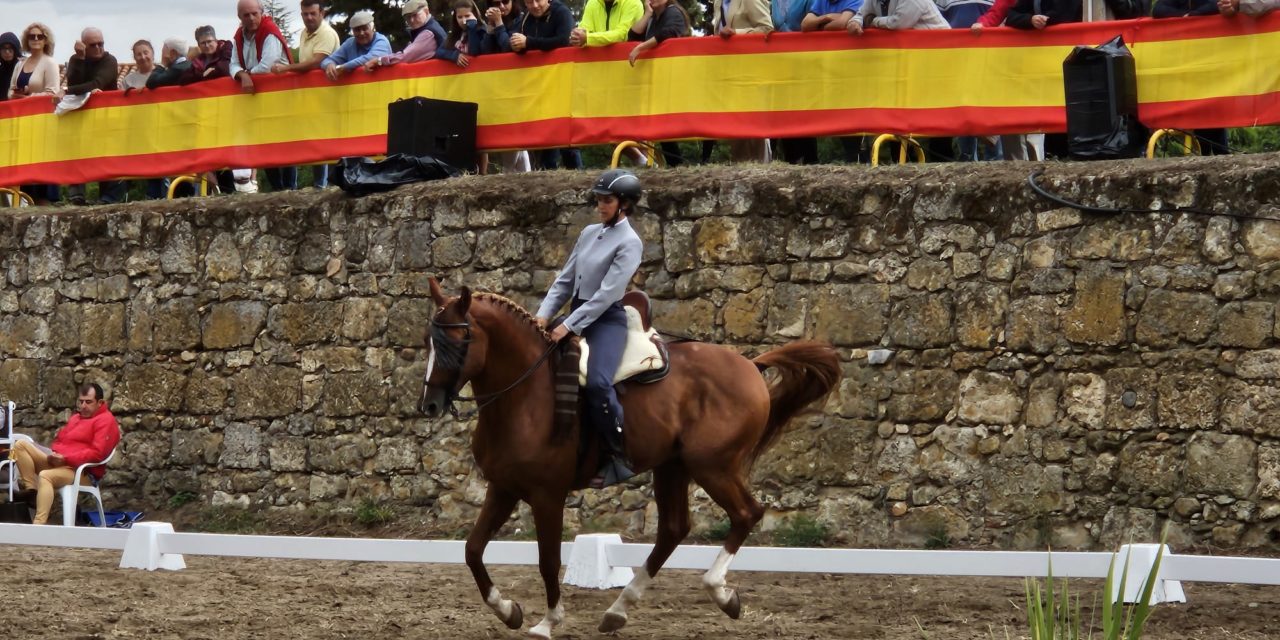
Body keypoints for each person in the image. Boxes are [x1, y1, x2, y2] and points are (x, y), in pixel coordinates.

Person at [535, 170, 645, 489]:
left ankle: (618, 454)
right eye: (598, 199)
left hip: (606, 320)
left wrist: (568, 325)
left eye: (606, 200)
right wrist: (544, 316)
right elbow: (565, 280)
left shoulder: (630, 242)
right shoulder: (588, 232)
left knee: (597, 383)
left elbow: (607, 293)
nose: (600, 205)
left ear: (624, 204)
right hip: (576, 314)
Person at [10, 383, 121, 525]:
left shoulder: (106, 421)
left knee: (46, 475)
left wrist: (66, 459)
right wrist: (55, 455)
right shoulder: (76, 418)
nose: (83, 406)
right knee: (20, 445)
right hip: (61, 462)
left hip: (83, 472)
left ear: (99, 403)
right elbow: (60, 442)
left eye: (88, 402)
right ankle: (32, 491)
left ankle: (38, 525)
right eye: (81, 402)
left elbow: (97, 454)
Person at [504, 0, 581, 169]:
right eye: (530, 2)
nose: (535, 5)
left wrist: (529, 43)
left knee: (566, 135)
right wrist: (516, 45)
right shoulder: (525, 20)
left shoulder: (561, 12)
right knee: (546, 135)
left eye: (538, 0)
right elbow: (515, 42)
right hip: (539, 85)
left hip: (563, 81)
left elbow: (564, 40)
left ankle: (577, 174)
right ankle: (548, 174)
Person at [231, 0, 296, 191]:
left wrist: (246, 74)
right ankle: (277, 189)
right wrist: (242, 75)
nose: (251, 18)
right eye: (246, 15)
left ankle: (290, 189)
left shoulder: (270, 32)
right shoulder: (239, 36)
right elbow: (233, 64)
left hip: (281, 97)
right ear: (239, 17)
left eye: (254, 13)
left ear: (262, 13)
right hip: (258, 100)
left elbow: (266, 66)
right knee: (264, 143)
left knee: (285, 142)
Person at [64, 28, 126, 205]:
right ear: (84, 45)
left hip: (108, 118)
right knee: (78, 152)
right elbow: (74, 81)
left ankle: (108, 198)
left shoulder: (110, 60)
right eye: (93, 45)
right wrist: (79, 58)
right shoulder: (77, 60)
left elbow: (97, 83)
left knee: (110, 157)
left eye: (101, 43)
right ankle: (77, 195)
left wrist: (67, 91)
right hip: (83, 120)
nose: (98, 47)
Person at [362, 1, 463, 71]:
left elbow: (405, 57)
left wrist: (379, 60)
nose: (411, 21)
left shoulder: (428, 33)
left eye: (415, 15)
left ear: (426, 11)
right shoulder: (431, 27)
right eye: (408, 18)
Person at [272, 0, 339, 75]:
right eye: (305, 14)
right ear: (301, 15)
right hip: (312, 85)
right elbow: (305, 63)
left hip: (327, 85)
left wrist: (286, 68)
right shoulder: (304, 33)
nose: (309, 17)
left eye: (313, 13)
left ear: (322, 13)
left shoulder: (327, 33)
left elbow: (316, 63)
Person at [323, 10, 393, 79]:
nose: (361, 33)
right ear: (353, 32)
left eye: (365, 29)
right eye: (357, 30)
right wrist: (329, 65)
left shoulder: (381, 41)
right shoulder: (350, 43)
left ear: (372, 28)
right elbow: (326, 61)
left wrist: (343, 67)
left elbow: (370, 58)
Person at [9, 23, 59, 99]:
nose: (36, 39)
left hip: (40, 110)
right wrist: (14, 94)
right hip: (19, 109)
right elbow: (10, 91)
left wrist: (27, 97)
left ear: (45, 41)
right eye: (32, 37)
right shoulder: (20, 64)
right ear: (27, 40)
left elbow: (53, 93)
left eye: (40, 37)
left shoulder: (50, 63)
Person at [571, 0, 645, 48]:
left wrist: (587, 38)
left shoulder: (633, 2)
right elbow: (584, 30)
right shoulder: (592, 3)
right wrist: (576, 37)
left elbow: (622, 35)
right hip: (598, 64)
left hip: (626, 63)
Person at [0, 32, 21, 101]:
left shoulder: (25, 67)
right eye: (3, 48)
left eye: (10, 48)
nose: (7, 52)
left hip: (23, 107)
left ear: (16, 49)